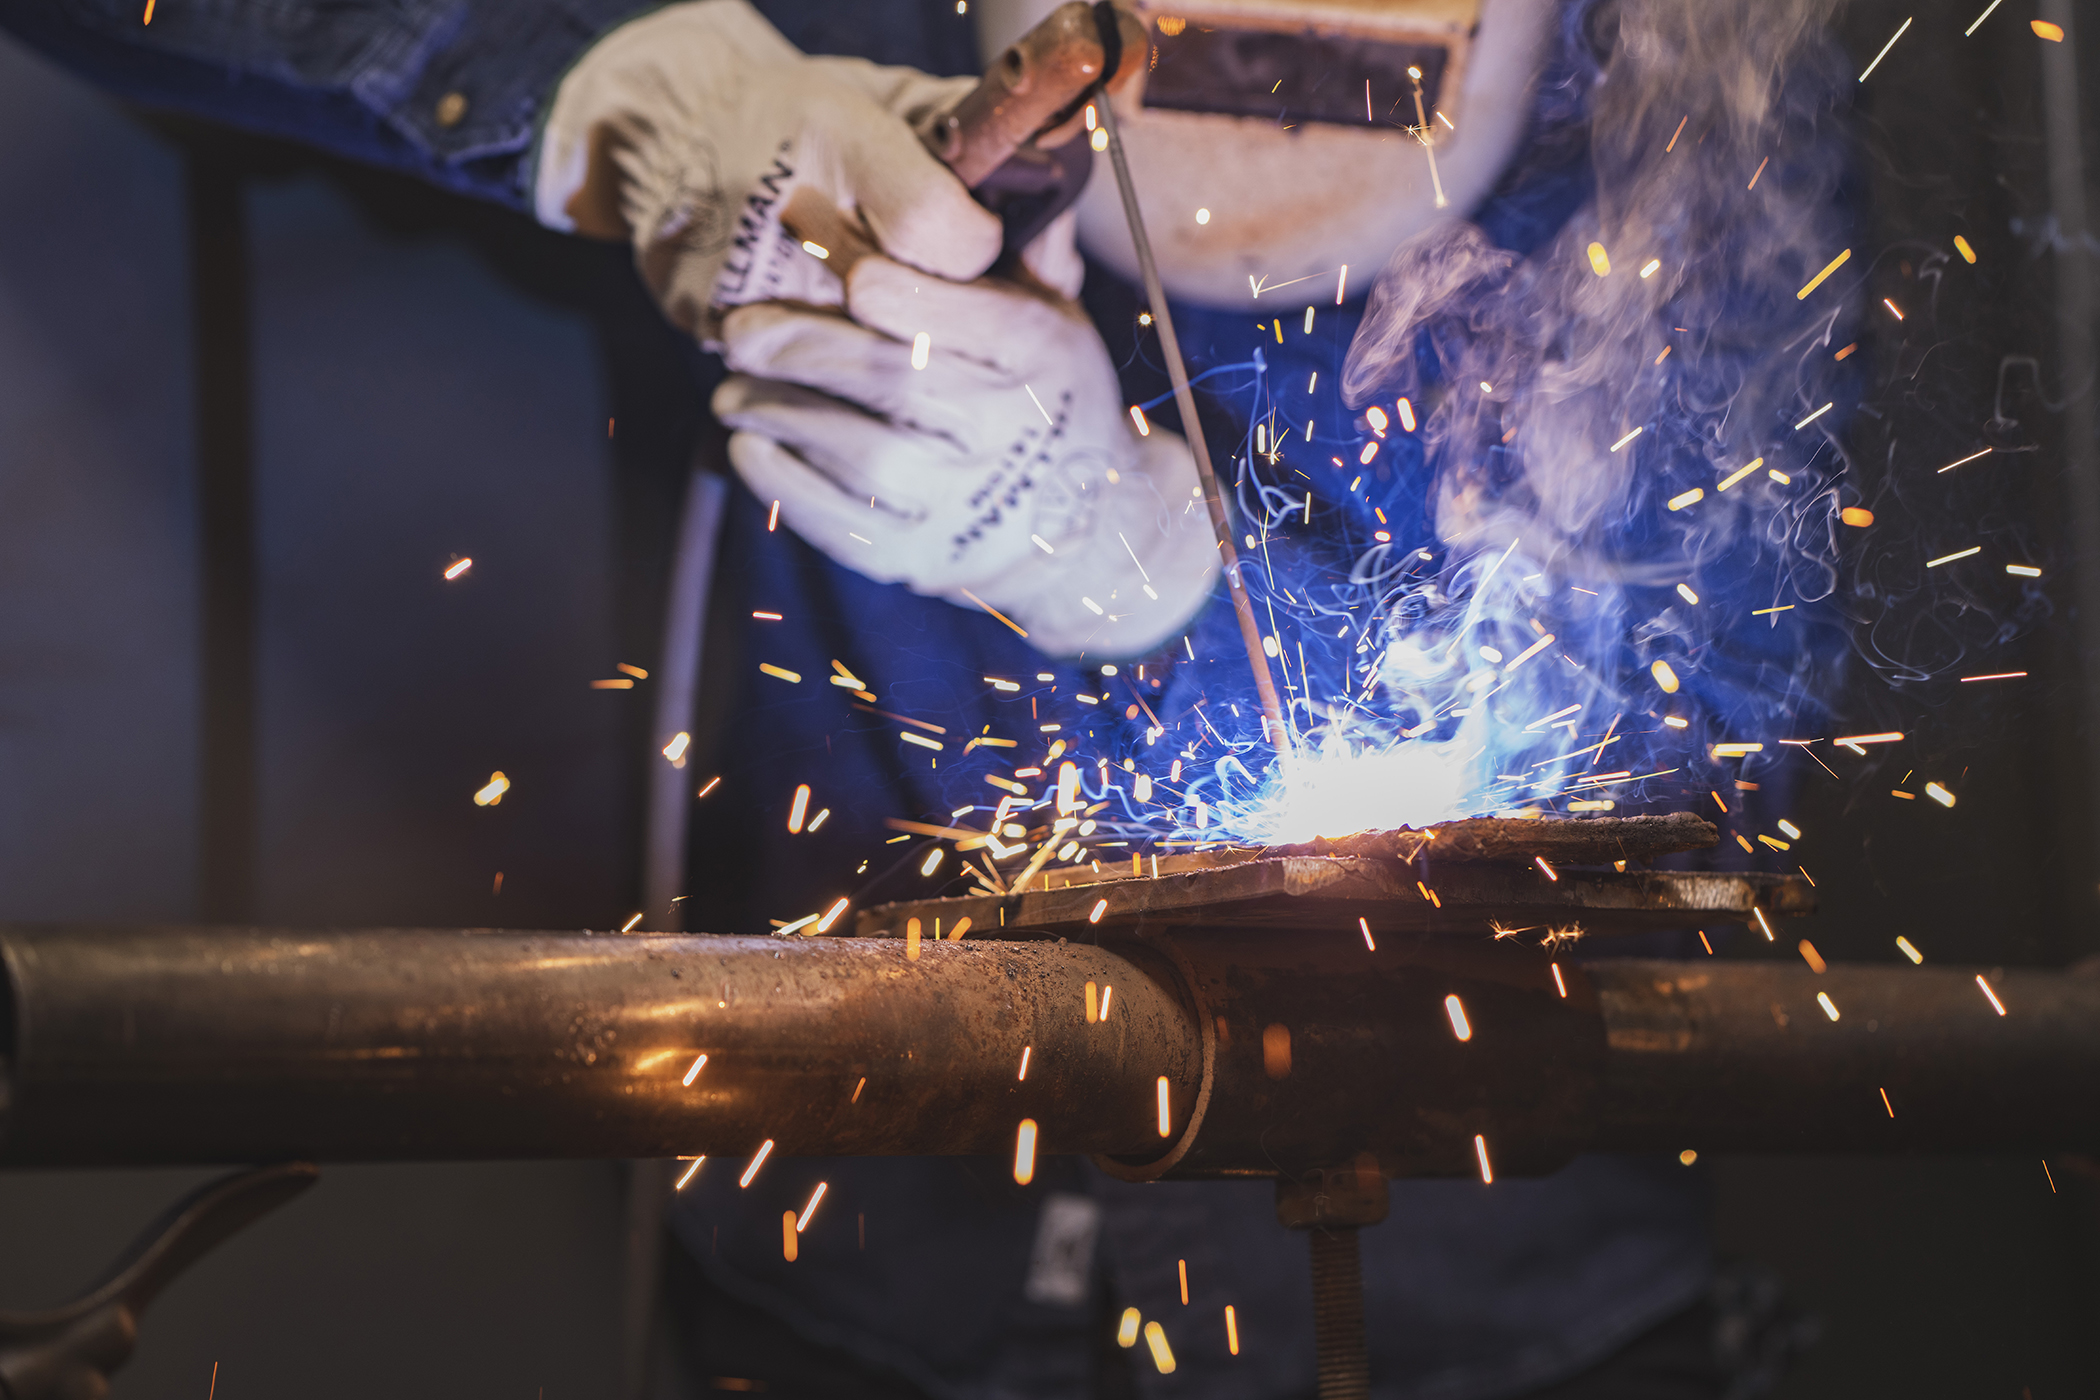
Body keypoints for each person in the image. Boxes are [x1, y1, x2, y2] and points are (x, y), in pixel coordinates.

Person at [1, 0, 1844, 1395]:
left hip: (1499, 1331)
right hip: (857, 1289)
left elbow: (1723, 716)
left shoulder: (1692, 99)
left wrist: (1160, 585)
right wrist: (628, 93)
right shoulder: (894, 23)